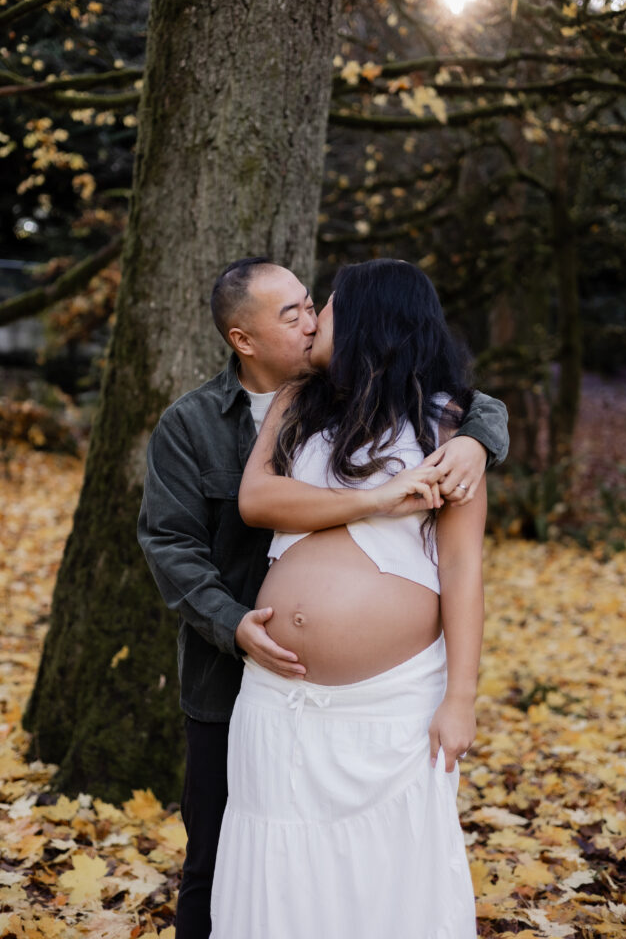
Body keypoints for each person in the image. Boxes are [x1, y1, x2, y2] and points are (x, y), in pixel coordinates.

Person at [137, 257, 508, 939]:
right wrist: (375, 500)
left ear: (368, 323)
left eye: (321, 307)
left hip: (387, 702)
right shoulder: (259, 411)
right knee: (236, 862)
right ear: (242, 339)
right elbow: (235, 512)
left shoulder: (451, 432)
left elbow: (462, 568)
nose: (312, 322)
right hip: (263, 689)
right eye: (295, 313)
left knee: (383, 867)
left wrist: (460, 698)